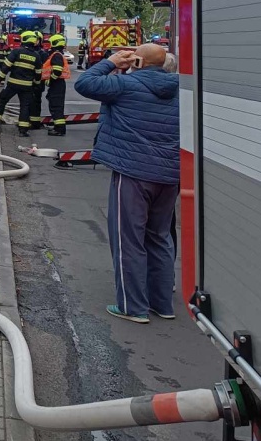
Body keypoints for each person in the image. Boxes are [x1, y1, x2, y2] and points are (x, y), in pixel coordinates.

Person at [74, 44, 180, 324]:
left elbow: (84, 83)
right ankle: (163, 304)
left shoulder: (124, 85)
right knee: (160, 238)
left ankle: (132, 307)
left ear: (138, 61)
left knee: (128, 241)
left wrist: (111, 61)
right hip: (169, 176)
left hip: (132, 173)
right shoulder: (180, 89)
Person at [0, 30, 40, 137]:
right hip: (27, 86)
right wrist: (36, 84)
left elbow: (6, 66)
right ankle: (23, 131)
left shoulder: (16, 51)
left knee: (2, 101)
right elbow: (38, 74)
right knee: (25, 107)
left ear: (24, 39)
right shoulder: (36, 56)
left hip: (13, 84)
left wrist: (0, 78)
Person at [43, 34, 71, 135]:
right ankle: (58, 127)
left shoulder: (56, 55)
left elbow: (57, 71)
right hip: (58, 84)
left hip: (57, 84)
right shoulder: (58, 54)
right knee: (56, 105)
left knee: (56, 106)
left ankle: (59, 129)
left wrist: (50, 80)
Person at [27, 32, 47, 130]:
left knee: (36, 102)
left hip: (38, 82)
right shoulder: (27, 51)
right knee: (27, 102)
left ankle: (35, 123)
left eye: (37, 39)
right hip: (27, 81)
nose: (35, 41)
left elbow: (44, 69)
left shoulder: (43, 53)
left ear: (40, 41)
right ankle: (28, 121)